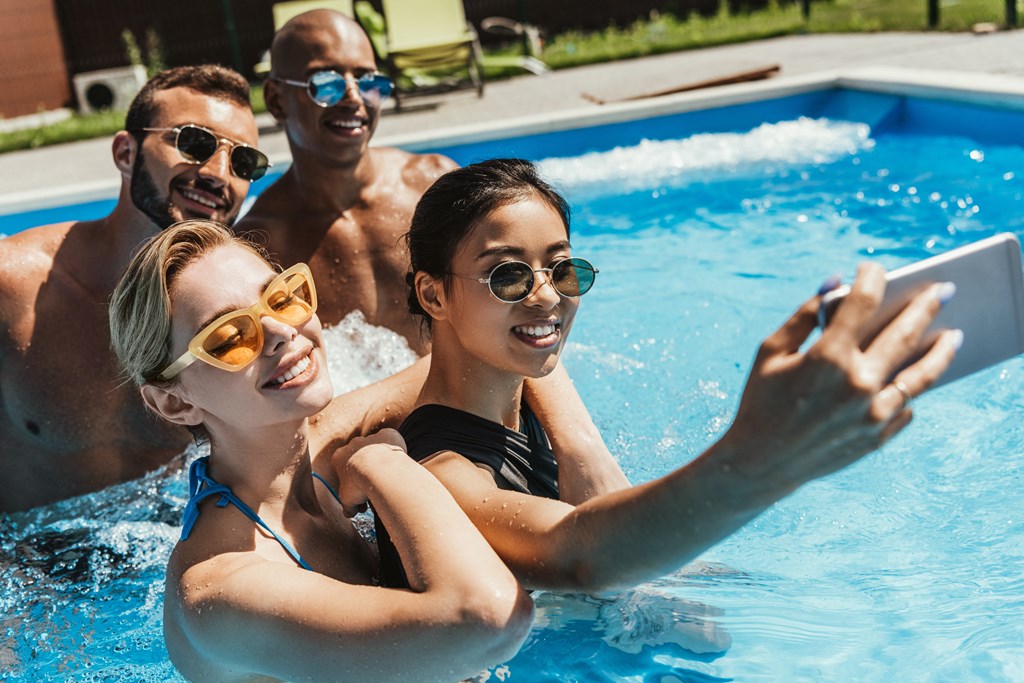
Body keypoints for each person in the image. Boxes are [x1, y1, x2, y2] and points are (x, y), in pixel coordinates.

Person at [384, 157, 963, 594]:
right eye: (506, 276)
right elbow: (573, 554)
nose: (546, 297)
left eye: (563, 268)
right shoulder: (442, 474)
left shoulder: (525, 387)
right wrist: (767, 455)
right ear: (433, 294)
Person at [108, 219, 533, 681]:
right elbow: (489, 622)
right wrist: (382, 464)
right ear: (173, 401)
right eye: (230, 338)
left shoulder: (319, 446)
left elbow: (498, 348)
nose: (279, 332)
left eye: (282, 297)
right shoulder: (223, 591)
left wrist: (584, 462)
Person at [0, 65, 273, 512]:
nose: (218, 174)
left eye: (243, 162)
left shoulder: (247, 309)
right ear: (126, 153)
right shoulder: (13, 286)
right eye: (193, 143)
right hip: (30, 568)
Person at [235, 9, 456, 353]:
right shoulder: (259, 246)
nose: (354, 98)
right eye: (326, 83)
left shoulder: (434, 185)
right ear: (277, 100)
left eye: (369, 82)